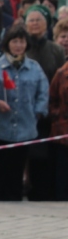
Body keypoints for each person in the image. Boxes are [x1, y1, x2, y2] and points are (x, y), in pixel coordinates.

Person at [0, 24, 48, 201]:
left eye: (22, 41)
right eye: (14, 41)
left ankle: (13, 209)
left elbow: (43, 93)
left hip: (24, 131)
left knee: (15, 174)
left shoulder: (35, 68)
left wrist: (37, 113)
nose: (18, 45)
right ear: (7, 43)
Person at [24, 4, 65, 201]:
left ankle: (43, 195)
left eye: (38, 20)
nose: (34, 24)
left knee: (45, 159)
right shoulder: (21, 47)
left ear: (47, 24)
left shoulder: (55, 50)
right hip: (25, 111)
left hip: (49, 114)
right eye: (31, 20)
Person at [49, 58, 68, 200]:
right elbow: (51, 100)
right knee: (63, 173)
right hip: (64, 133)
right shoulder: (62, 73)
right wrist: (59, 116)